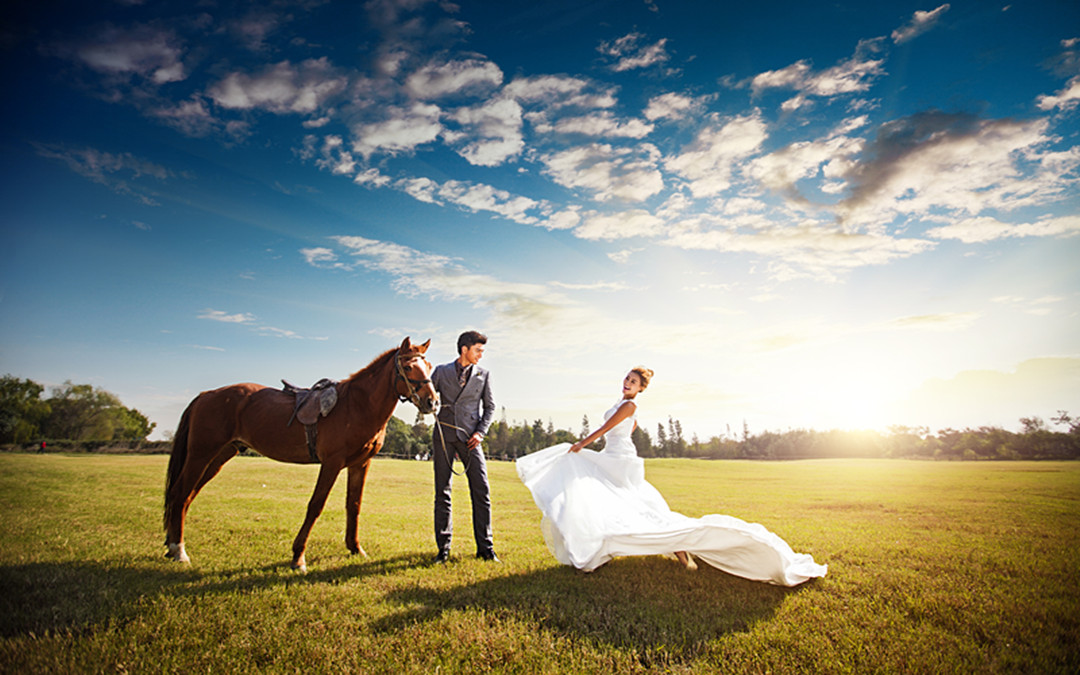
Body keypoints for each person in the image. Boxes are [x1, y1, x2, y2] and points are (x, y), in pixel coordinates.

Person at [516, 367, 827, 586]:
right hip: (613, 456)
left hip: (620, 461)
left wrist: (583, 443)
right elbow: (624, 431)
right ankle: (600, 550)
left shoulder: (629, 406)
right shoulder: (621, 405)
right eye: (626, 378)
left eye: (633, 381)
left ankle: (683, 554)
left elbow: (607, 430)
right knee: (618, 505)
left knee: (643, 509)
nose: (627, 382)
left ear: (640, 389)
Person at [431, 330, 498, 563]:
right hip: (443, 436)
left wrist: (480, 432)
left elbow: (490, 407)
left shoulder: (484, 375)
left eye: (482, 351)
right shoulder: (440, 372)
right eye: (478, 350)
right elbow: (427, 397)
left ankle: (486, 549)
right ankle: (443, 549)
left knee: (481, 491)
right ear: (464, 350)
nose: (481, 355)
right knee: (443, 492)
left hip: (471, 438)